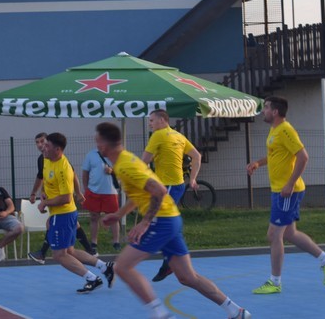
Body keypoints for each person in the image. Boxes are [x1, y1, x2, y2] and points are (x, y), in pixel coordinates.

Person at [96, 122, 251, 319]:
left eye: (97, 141)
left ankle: (161, 314)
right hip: (170, 219)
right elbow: (142, 194)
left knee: (122, 267)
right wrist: (119, 214)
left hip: (161, 221)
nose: (97, 145)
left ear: (103, 144)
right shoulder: (125, 162)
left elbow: (159, 190)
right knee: (187, 277)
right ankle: (236, 311)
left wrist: (145, 222)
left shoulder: (125, 165)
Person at [246, 96, 325, 294]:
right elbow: (275, 154)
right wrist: (258, 163)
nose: (263, 111)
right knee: (289, 233)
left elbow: (303, 157)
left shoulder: (286, 130)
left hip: (287, 192)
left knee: (274, 235)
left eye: (266, 107)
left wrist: (289, 184)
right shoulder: (274, 130)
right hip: (280, 190)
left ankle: (275, 282)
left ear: (275, 112)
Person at [38, 132, 114, 293]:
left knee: (59, 255)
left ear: (57, 149)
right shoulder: (46, 159)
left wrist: (45, 203)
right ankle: (105, 267)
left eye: (47, 145)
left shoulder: (63, 169)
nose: (43, 147)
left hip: (63, 214)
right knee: (70, 251)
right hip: (63, 214)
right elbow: (47, 181)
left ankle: (92, 279)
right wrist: (43, 192)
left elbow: (66, 197)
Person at [142, 109, 202, 282]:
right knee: (166, 221)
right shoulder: (178, 136)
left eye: (152, 120)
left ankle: (169, 261)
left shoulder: (158, 135)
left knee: (162, 222)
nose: (150, 124)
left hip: (167, 187)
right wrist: (192, 179)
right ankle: (169, 261)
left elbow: (143, 161)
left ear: (162, 120)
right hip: (177, 185)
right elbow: (197, 156)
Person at [27, 132, 94, 263]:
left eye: (43, 142)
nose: (41, 145)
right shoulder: (43, 159)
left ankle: (42, 253)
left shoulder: (62, 163)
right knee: (69, 249)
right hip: (57, 206)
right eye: (37, 142)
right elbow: (43, 177)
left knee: (60, 253)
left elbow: (73, 175)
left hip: (63, 205)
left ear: (53, 146)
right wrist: (40, 192)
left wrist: (78, 192)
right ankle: (93, 255)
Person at [81, 147, 121, 253]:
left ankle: (116, 242)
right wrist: (86, 189)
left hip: (110, 191)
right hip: (93, 191)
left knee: (113, 217)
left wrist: (112, 171)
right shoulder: (91, 154)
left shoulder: (116, 154)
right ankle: (94, 242)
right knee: (94, 217)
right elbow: (85, 173)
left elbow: (122, 171)